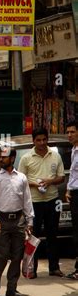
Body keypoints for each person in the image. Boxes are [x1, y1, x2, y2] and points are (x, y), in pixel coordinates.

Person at [18, 127, 65, 277]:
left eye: (44, 139)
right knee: (34, 236)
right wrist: (35, 184)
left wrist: (49, 181)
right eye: (38, 140)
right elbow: (21, 180)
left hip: (52, 200)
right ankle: (32, 268)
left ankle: (54, 268)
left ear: (47, 139)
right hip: (34, 202)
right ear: (33, 141)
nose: (42, 142)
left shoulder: (55, 156)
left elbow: (61, 177)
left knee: (53, 234)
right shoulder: (26, 158)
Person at [0, 145, 34, 296]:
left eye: (4, 157)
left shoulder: (21, 178)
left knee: (17, 255)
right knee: (3, 253)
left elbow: (27, 200)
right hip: (2, 220)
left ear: (12, 158)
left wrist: (30, 221)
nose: (1, 159)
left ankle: (11, 288)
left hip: (19, 221)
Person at [65, 120, 78, 280]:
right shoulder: (74, 150)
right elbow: (74, 173)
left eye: (72, 132)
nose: (69, 135)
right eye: (67, 132)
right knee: (76, 233)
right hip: (74, 194)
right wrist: (68, 189)